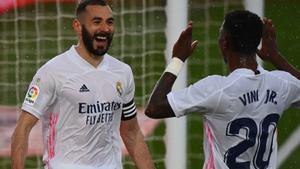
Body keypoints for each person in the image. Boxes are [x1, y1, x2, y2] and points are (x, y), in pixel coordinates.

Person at [145, 10, 300, 169]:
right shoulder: (281, 84)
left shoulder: (217, 89)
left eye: (220, 34)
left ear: (224, 42)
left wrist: (177, 59)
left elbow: (154, 107)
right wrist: (275, 56)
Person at [11, 0, 155, 169]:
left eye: (109, 22)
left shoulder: (122, 72)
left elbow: (132, 132)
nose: (105, 29)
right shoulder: (52, 72)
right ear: (78, 26)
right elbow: (23, 129)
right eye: (96, 22)